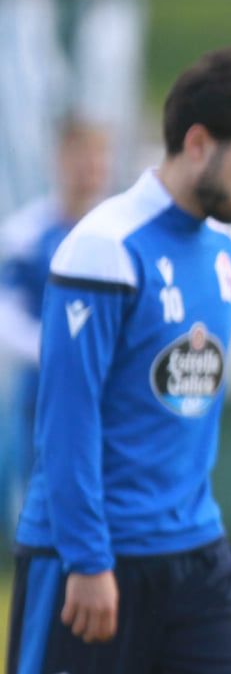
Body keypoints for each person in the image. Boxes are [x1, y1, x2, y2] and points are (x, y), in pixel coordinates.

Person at [0, 47, 231, 674]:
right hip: (95, 556)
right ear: (198, 142)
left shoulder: (224, 255)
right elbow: (65, 423)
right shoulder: (103, 248)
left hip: (195, 554)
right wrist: (89, 558)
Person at [0, 120, 111, 532]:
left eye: (99, 157)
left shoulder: (116, 233)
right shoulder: (27, 233)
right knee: (45, 510)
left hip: (107, 395)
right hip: (44, 394)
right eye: (82, 157)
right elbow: (7, 316)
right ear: (60, 160)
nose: (91, 168)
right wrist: (58, 351)